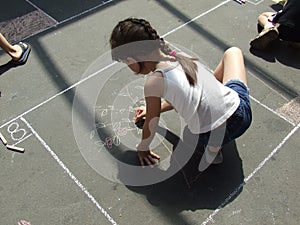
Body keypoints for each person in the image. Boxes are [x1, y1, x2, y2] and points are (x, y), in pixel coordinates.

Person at [110, 18, 252, 171]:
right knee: (233, 52)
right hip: (242, 116)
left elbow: (152, 122)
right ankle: (214, 138)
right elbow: (179, 96)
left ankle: (213, 151)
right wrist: (152, 109)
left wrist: (143, 148)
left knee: (192, 129)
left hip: (207, 134)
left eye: (126, 63)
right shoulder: (176, 55)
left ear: (131, 60)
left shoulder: (154, 82)